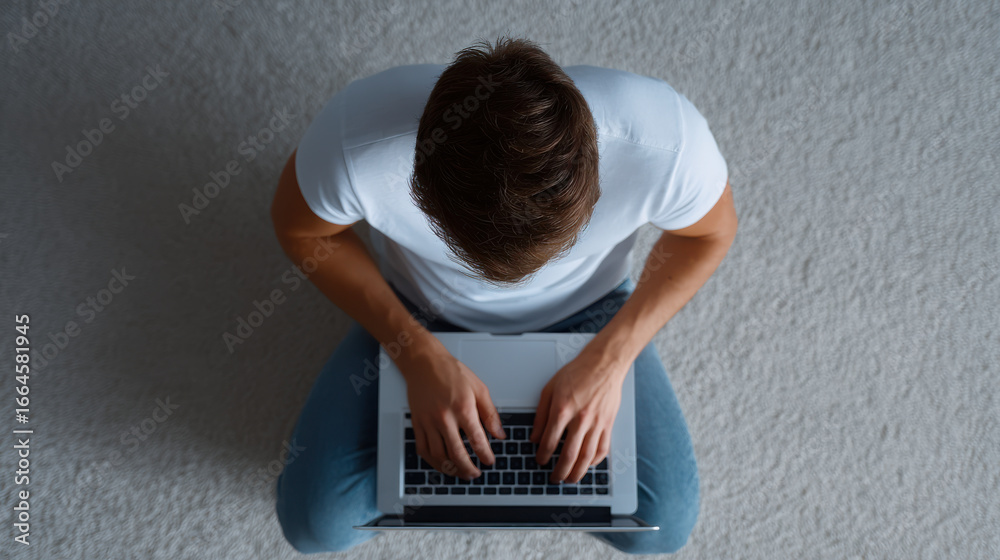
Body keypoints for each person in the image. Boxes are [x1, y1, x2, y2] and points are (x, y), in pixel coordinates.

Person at [270, 35, 737, 555]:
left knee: (661, 529)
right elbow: (303, 231)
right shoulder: (356, 141)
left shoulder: (665, 141)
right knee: (315, 526)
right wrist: (414, 350)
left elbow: (710, 235)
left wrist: (612, 356)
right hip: (415, 309)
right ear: (421, 184)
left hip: (592, 313)